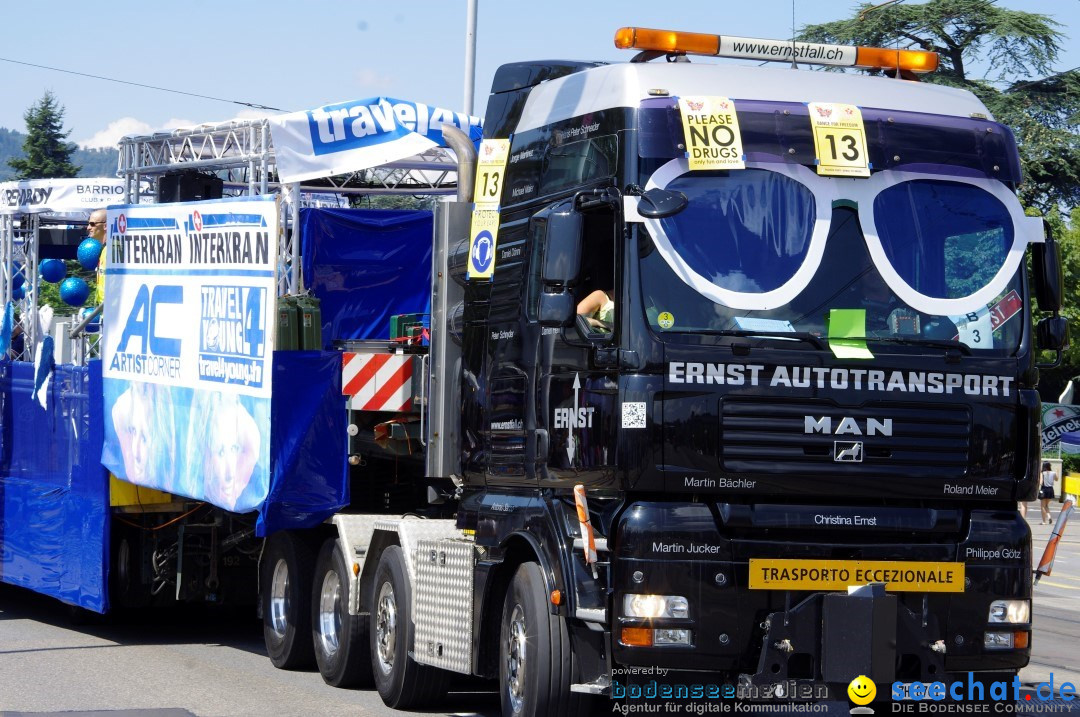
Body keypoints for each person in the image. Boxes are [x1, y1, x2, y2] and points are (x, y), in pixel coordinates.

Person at [87, 208, 107, 305]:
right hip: (105, 310)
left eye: (92, 224)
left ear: (105, 226)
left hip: (113, 311)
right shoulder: (104, 250)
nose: (88, 228)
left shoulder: (113, 250)